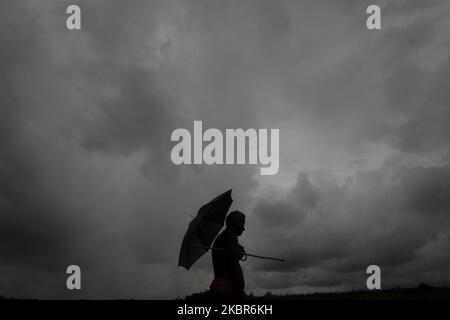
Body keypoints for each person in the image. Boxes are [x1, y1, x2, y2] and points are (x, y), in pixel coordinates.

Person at [209, 210, 247, 300]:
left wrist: (237, 252)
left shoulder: (222, 238)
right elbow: (232, 264)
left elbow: (226, 260)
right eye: (242, 223)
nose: (243, 228)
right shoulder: (231, 236)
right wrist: (239, 254)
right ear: (234, 224)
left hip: (221, 288)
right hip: (229, 291)